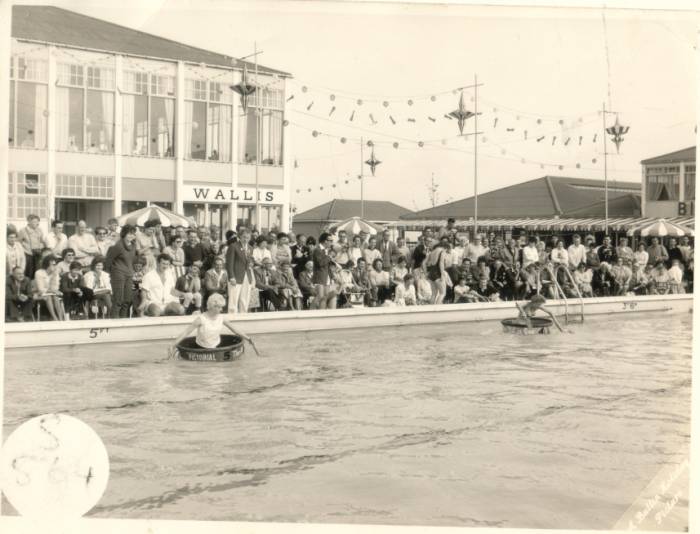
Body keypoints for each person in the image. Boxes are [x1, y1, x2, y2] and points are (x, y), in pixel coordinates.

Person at [169, 293, 253, 355]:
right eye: (219, 307)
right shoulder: (201, 319)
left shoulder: (221, 318)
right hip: (200, 349)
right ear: (213, 306)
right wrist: (173, 345)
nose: (221, 310)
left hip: (216, 347)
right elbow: (186, 333)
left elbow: (235, 330)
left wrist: (248, 338)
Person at [105, 225, 138, 318]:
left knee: (127, 300)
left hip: (129, 274)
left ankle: (124, 322)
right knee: (118, 300)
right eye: (129, 234)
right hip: (118, 274)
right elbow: (108, 261)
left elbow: (132, 260)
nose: (131, 236)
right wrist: (113, 272)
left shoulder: (134, 246)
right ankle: (114, 322)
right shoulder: (117, 246)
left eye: (133, 234)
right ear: (124, 234)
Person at [226, 228, 254, 314]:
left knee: (245, 298)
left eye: (248, 237)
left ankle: (243, 315)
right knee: (233, 298)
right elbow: (229, 263)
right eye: (244, 237)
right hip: (236, 276)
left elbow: (248, 261)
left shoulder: (250, 248)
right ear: (240, 237)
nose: (246, 239)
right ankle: (232, 316)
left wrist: (251, 263)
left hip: (247, 275)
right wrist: (231, 277)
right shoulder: (233, 246)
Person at [33, 255, 64, 321]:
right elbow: (41, 289)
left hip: (50, 293)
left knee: (55, 297)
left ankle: (60, 318)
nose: (55, 266)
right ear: (47, 264)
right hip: (38, 293)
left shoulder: (55, 273)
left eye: (55, 264)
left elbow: (56, 287)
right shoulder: (39, 273)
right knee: (49, 297)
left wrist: (54, 276)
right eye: (53, 264)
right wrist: (52, 291)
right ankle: (54, 317)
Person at [18, 214, 44, 278]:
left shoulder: (39, 230)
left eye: (38, 222)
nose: (37, 223)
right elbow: (18, 243)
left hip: (37, 255)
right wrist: (24, 249)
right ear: (29, 221)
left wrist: (40, 247)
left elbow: (42, 241)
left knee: (37, 272)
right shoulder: (23, 231)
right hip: (27, 254)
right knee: (28, 272)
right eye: (35, 222)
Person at [312, 232, 334, 310]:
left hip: (326, 276)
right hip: (319, 276)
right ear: (325, 241)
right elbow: (320, 263)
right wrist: (329, 257)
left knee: (324, 297)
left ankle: (322, 313)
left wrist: (331, 276)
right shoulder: (317, 250)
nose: (331, 242)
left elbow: (327, 265)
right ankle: (310, 312)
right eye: (330, 240)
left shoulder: (326, 250)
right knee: (320, 297)